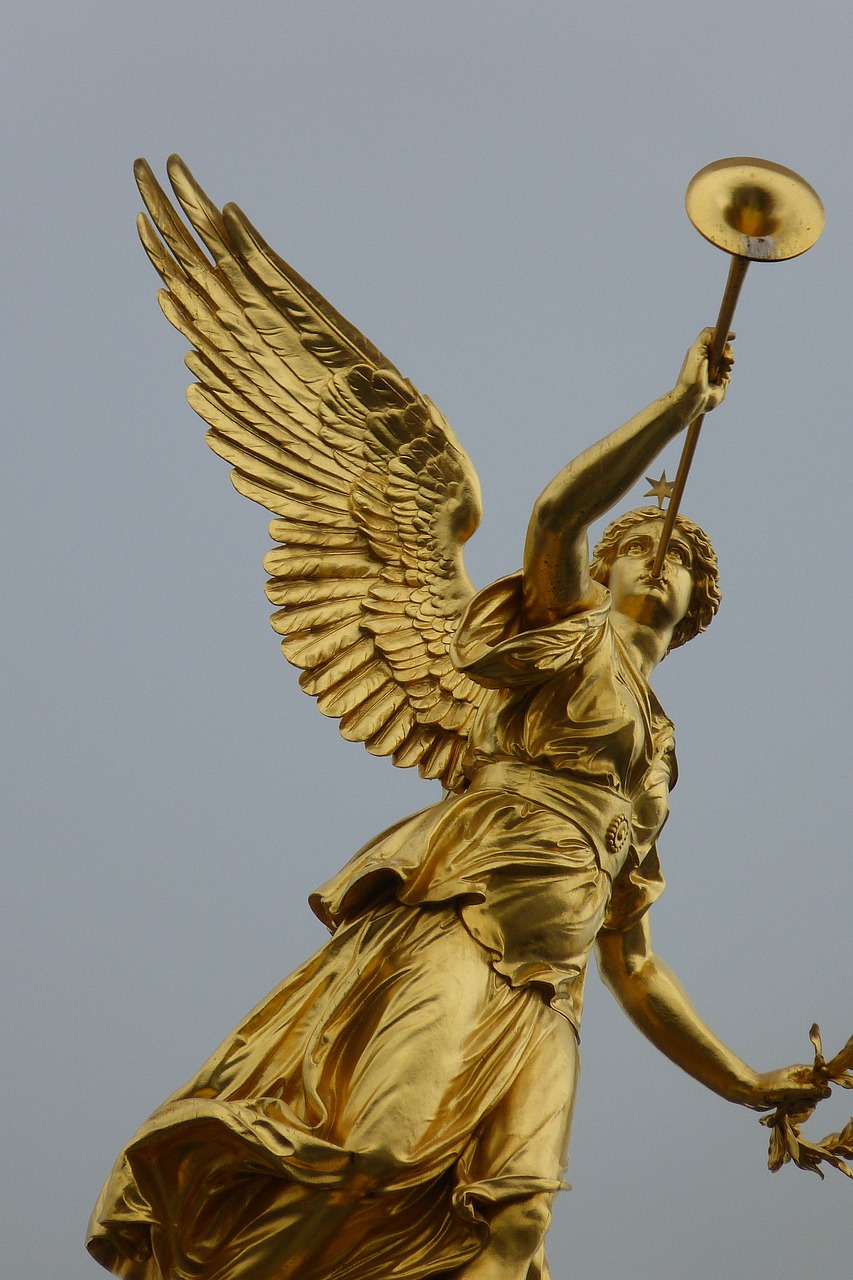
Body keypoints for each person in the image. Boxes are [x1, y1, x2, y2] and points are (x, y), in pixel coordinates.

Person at [88, 329, 825, 1280]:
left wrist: (744, 1081)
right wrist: (678, 407)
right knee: (382, 1159)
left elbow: (632, 960)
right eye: (633, 544)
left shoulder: (660, 761)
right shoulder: (558, 642)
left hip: (547, 996)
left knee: (512, 1232)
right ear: (600, 574)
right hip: (459, 927)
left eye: (671, 555)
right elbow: (557, 517)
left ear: (697, 603)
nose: (649, 559)